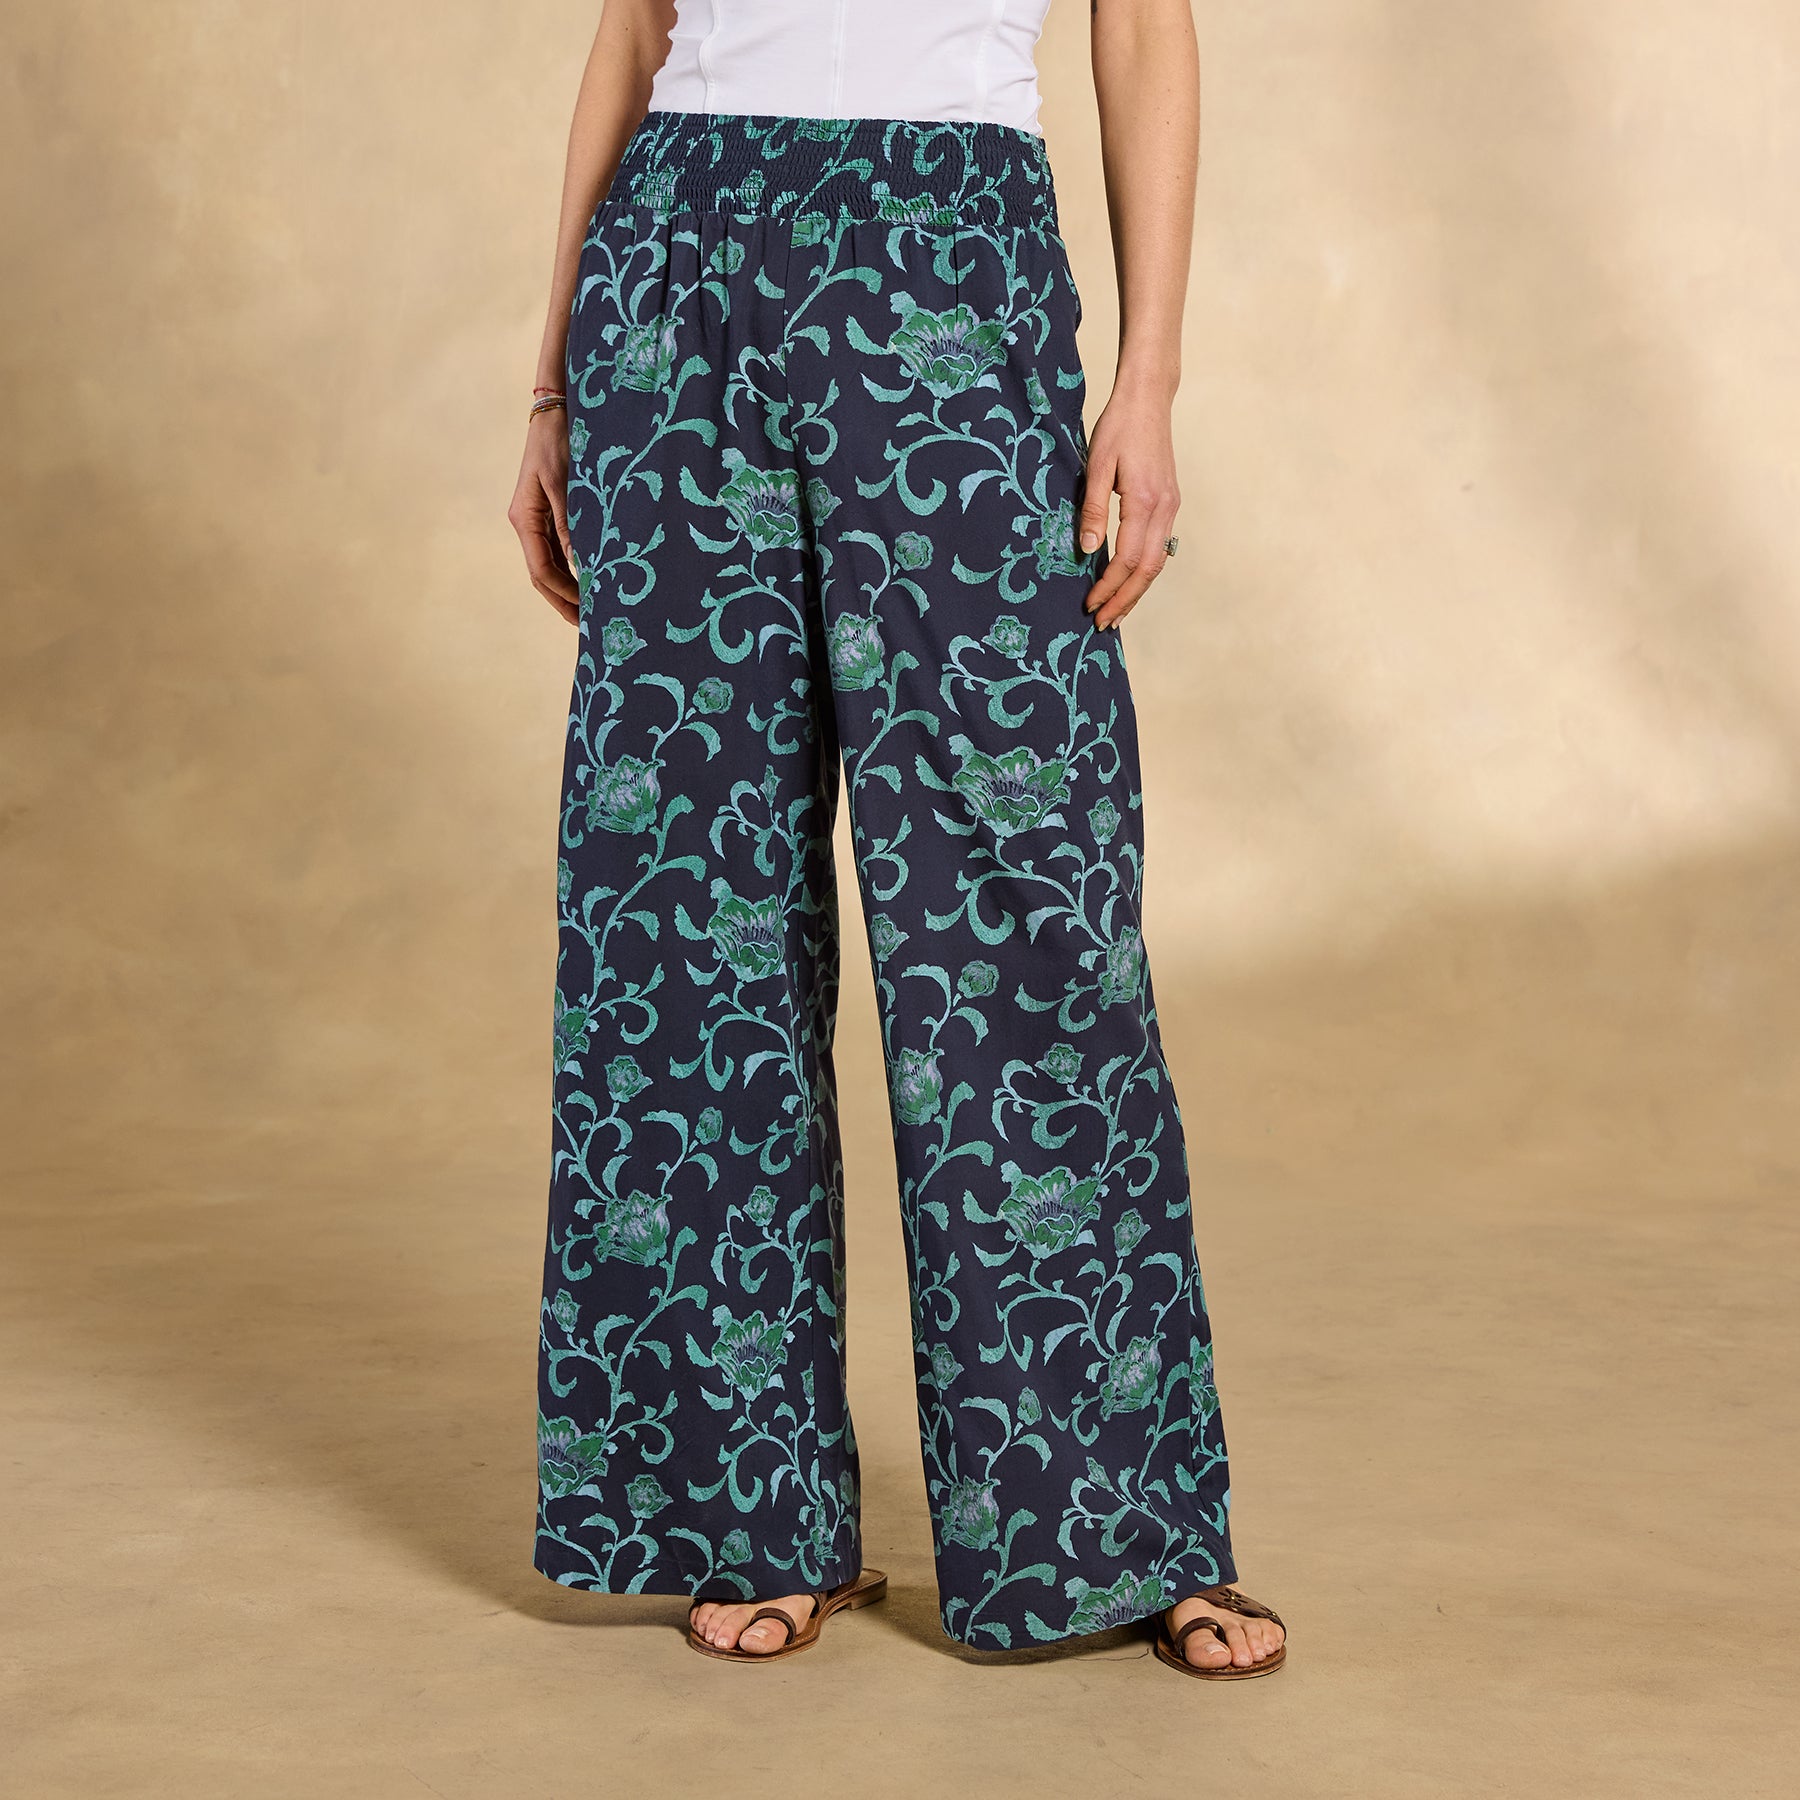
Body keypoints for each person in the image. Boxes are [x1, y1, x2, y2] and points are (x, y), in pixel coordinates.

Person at [507, 0, 1286, 1679]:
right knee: (685, 902)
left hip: (954, 248)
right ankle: (739, 1508)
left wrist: (1148, 379)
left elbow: (1144, 27)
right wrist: (554, 386)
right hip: (677, 269)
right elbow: (633, 31)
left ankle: (1114, 1526)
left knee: (1023, 897)